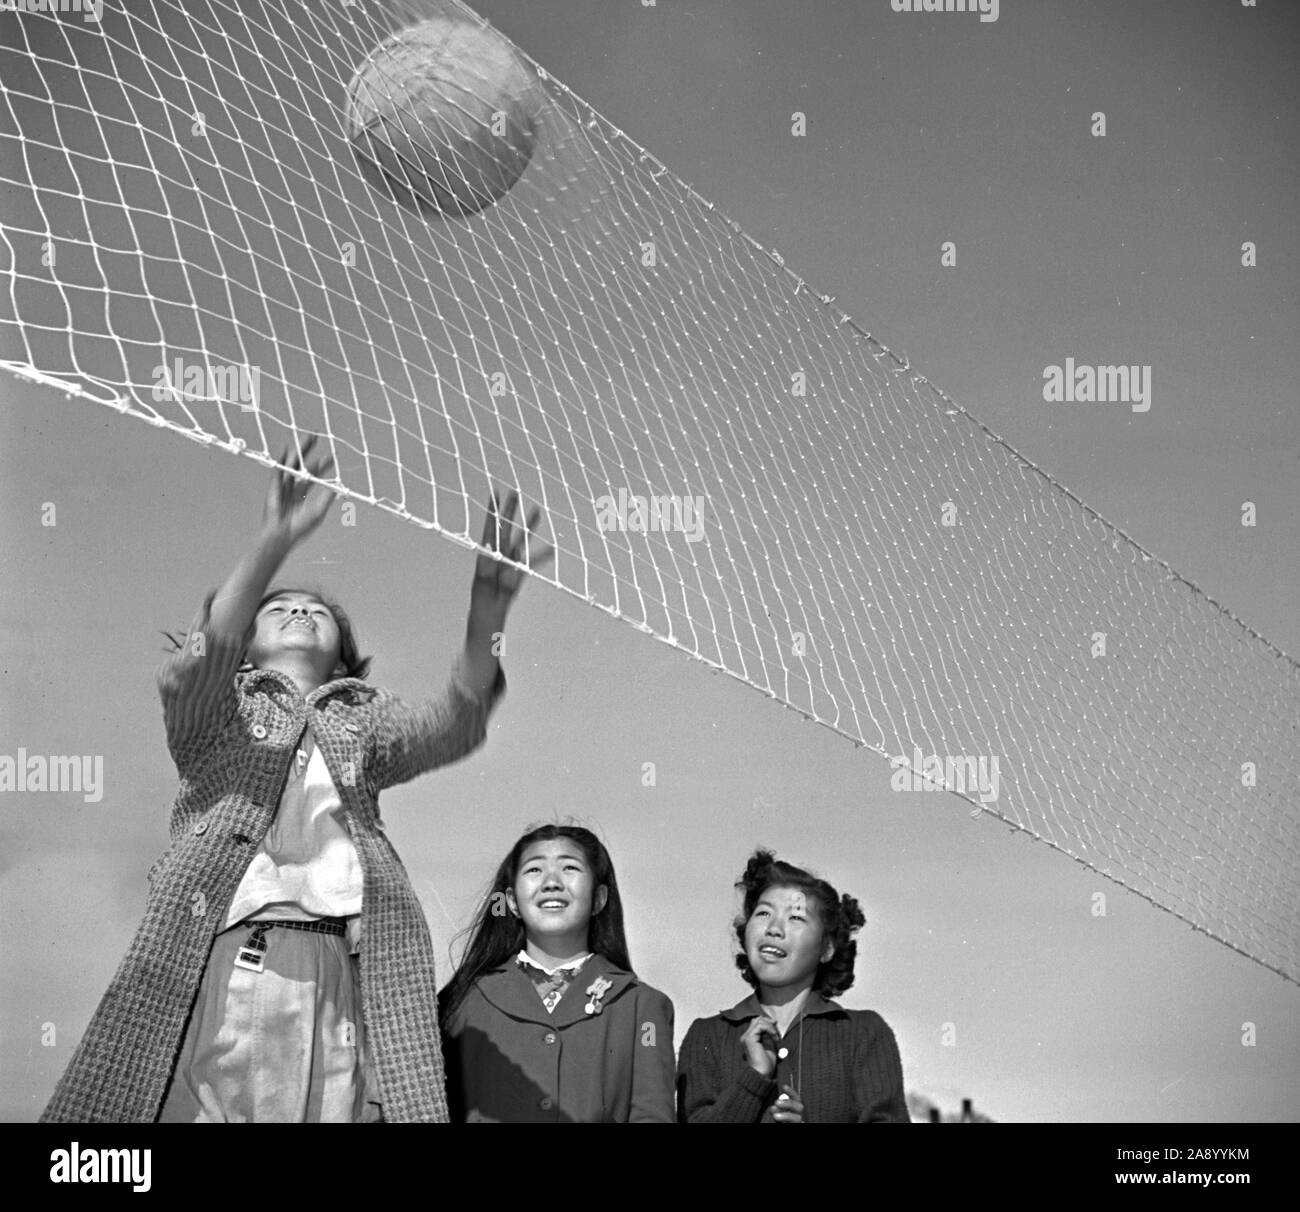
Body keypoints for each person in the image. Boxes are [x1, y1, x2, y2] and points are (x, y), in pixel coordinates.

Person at [40, 438, 550, 1122]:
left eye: (318, 611)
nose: (302, 611)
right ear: (247, 644)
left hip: (338, 967)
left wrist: (487, 615)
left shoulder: (365, 723)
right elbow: (202, 659)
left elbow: (455, 724)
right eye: (279, 608)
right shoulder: (222, 713)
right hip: (228, 961)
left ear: (344, 654)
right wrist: (272, 542)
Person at [439, 823, 675, 1121]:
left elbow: (652, 1114)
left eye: (569, 868)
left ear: (599, 898)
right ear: (511, 901)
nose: (551, 882)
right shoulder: (464, 1003)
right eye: (534, 870)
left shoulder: (643, 1009)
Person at [677, 848, 909, 1122]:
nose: (774, 928)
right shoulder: (706, 1036)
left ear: (827, 948)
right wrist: (752, 1081)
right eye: (763, 913)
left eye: (796, 918)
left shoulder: (865, 1035)